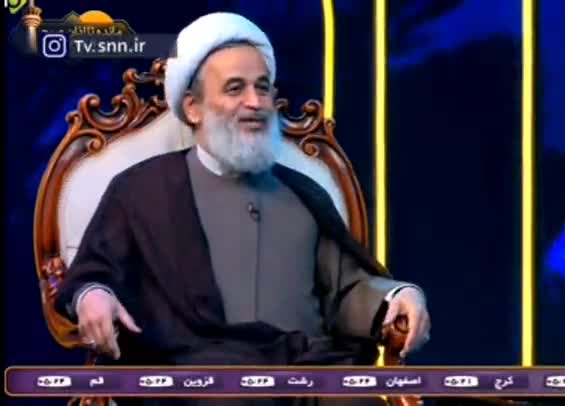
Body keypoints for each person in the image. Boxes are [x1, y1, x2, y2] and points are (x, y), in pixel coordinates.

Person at [54, 12, 431, 406]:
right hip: (200, 376)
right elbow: (93, 273)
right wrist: (92, 295)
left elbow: (346, 288)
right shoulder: (141, 190)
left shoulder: (302, 191)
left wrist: (396, 296)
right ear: (193, 107)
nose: (255, 102)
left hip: (307, 369)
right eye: (235, 88)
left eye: (262, 88)